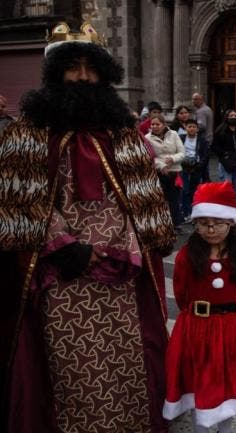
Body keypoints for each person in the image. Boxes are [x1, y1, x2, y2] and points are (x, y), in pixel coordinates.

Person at [0, 21, 175, 433]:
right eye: (72, 67)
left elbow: (144, 201)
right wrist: (65, 247)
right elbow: (17, 201)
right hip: (61, 274)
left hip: (120, 271)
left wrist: (124, 245)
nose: (82, 77)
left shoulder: (125, 134)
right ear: (54, 72)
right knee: (68, 364)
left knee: (126, 356)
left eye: (90, 68)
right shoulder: (26, 133)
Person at [164, 181, 236, 433]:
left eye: (217, 223)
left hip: (235, 328)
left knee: (229, 384)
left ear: (231, 222)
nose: (210, 229)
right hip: (198, 329)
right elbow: (181, 294)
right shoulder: (187, 255)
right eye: (203, 223)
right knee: (199, 382)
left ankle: (226, 429)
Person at [146, 113, 185, 230]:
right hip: (159, 173)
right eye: (152, 124)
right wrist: (161, 165)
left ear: (163, 125)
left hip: (175, 171)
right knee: (160, 200)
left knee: (174, 199)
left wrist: (173, 159)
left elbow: (182, 152)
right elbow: (149, 156)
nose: (154, 126)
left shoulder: (173, 134)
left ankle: (176, 224)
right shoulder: (147, 138)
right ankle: (162, 224)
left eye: (157, 124)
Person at [211, 109, 236, 217]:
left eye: (235, 115)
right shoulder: (220, 131)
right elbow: (214, 146)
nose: (233, 117)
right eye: (231, 115)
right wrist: (224, 154)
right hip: (225, 163)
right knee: (226, 187)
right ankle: (225, 211)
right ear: (226, 117)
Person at [179, 119, 210, 223]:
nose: (191, 129)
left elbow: (205, 155)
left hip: (196, 167)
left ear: (197, 129)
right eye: (189, 126)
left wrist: (200, 165)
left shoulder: (202, 140)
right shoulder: (181, 138)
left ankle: (194, 213)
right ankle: (185, 212)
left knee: (194, 190)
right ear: (185, 128)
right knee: (184, 190)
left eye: (193, 127)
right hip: (183, 166)